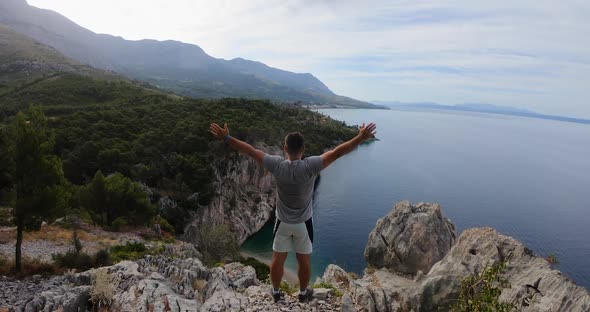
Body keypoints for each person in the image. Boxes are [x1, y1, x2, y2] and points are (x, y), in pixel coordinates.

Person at [209, 121, 377, 303]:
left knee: (277, 258)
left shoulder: (277, 165)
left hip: (282, 222)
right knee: (304, 260)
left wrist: (226, 137)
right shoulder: (311, 166)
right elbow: (337, 152)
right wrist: (360, 137)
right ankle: (304, 292)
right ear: (303, 149)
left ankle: (275, 291)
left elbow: (249, 150)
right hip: (304, 223)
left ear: (285, 148)